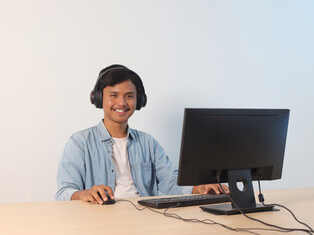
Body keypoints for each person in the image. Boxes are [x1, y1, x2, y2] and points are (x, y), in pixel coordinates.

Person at [56, 64, 228, 204]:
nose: (121, 102)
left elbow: (171, 183)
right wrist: (84, 194)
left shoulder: (148, 143)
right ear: (99, 98)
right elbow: (64, 192)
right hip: (100, 218)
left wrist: (198, 188)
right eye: (114, 95)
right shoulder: (79, 143)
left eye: (129, 96)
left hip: (144, 216)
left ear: (140, 100)